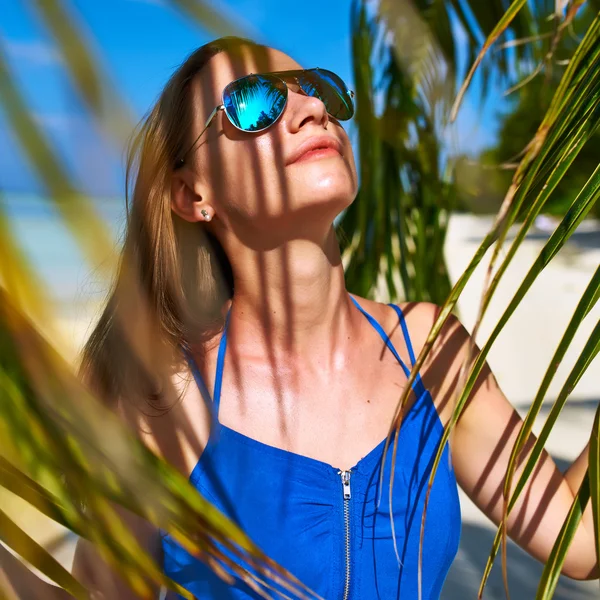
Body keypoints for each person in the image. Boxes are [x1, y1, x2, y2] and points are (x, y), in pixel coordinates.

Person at [2, 35, 597, 600]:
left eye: (318, 87)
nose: (311, 107)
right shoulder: (166, 398)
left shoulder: (434, 351)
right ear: (192, 195)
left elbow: (582, 543)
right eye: (254, 102)